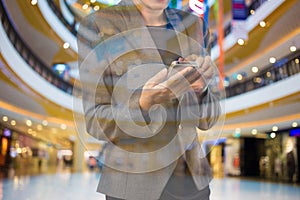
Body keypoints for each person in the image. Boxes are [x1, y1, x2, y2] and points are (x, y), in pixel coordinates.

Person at [77, 0, 224, 199]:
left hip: (192, 183)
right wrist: (142, 104)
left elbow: (208, 120)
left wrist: (201, 90)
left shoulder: (193, 25)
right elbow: (95, 121)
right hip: (133, 185)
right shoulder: (100, 24)